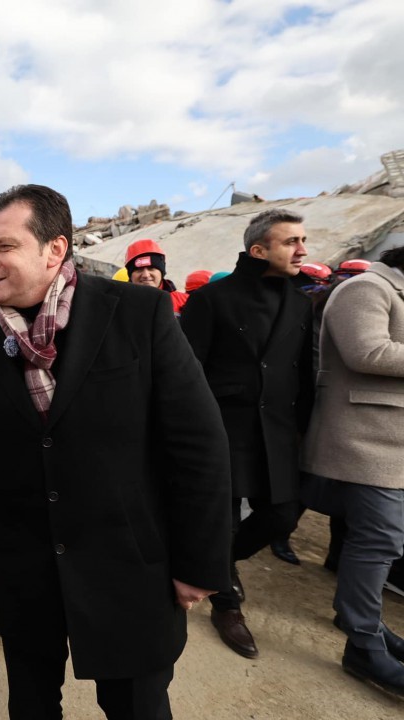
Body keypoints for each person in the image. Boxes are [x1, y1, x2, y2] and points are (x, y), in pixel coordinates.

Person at [0, 184, 231, 719]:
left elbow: (199, 444)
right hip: (27, 564)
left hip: (127, 563)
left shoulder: (139, 314)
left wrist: (200, 562)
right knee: (33, 702)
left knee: (136, 706)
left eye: (3, 248)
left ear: (55, 249)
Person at [180, 207, 314, 660]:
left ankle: (219, 564)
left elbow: (306, 371)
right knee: (225, 518)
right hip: (224, 427)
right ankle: (227, 604)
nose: (302, 249)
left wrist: (305, 427)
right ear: (259, 250)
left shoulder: (300, 302)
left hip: (277, 429)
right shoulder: (213, 300)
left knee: (284, 514)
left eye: (302, 240)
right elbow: (187, 372)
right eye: (291, 241)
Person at [301, 245, 404, 696]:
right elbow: (369, 353)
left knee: (377, 538)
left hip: (388, 442)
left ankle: (369, 628)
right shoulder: (367, 288)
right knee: (380, 538)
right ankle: (363, 641)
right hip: (366, 440)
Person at [123, 239, 187, 316]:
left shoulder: (185, 301)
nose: (146, 275)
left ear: (161, 272)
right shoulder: (118, 305)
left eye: (151, 268)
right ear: (130, 275)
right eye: (139, 270)